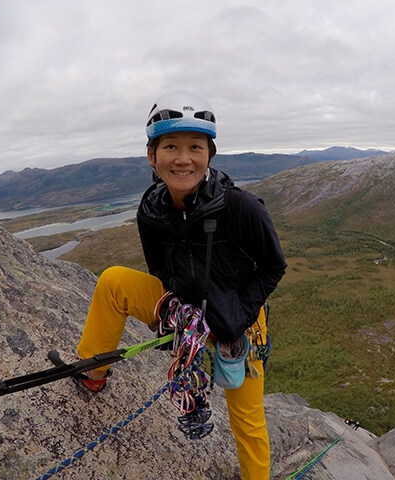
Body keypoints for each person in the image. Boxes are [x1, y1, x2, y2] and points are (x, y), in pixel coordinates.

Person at [74, 90, 287, 479]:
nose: (183, 158)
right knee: (114, 282)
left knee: (248, 420)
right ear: (152, 156)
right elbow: (159, 269)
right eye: (171, 146)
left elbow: (274, 266)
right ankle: (93, 373)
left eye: (195, 147)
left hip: (236, 321)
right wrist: (175, 317)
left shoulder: (242, 208)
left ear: (209, 155)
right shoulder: (151, 208)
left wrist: (239, 317)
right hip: (184, 309)